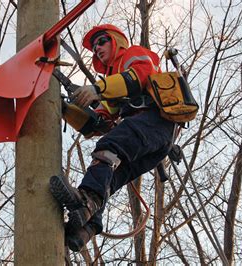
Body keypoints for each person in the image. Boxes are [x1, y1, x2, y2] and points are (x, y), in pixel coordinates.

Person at [50, 24, 176, 252]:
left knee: (109, 147)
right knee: (110, 176)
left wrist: (98, 89)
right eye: (94, 46)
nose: (97, 48)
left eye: (101, 41)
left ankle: (86, 201)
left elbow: (140, 75)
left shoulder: (132, 54)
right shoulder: (112, 79)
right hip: (149, 140)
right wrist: (66, 110)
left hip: (156, 122)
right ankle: (86, 227)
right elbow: (100, 122)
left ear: (116, 40)